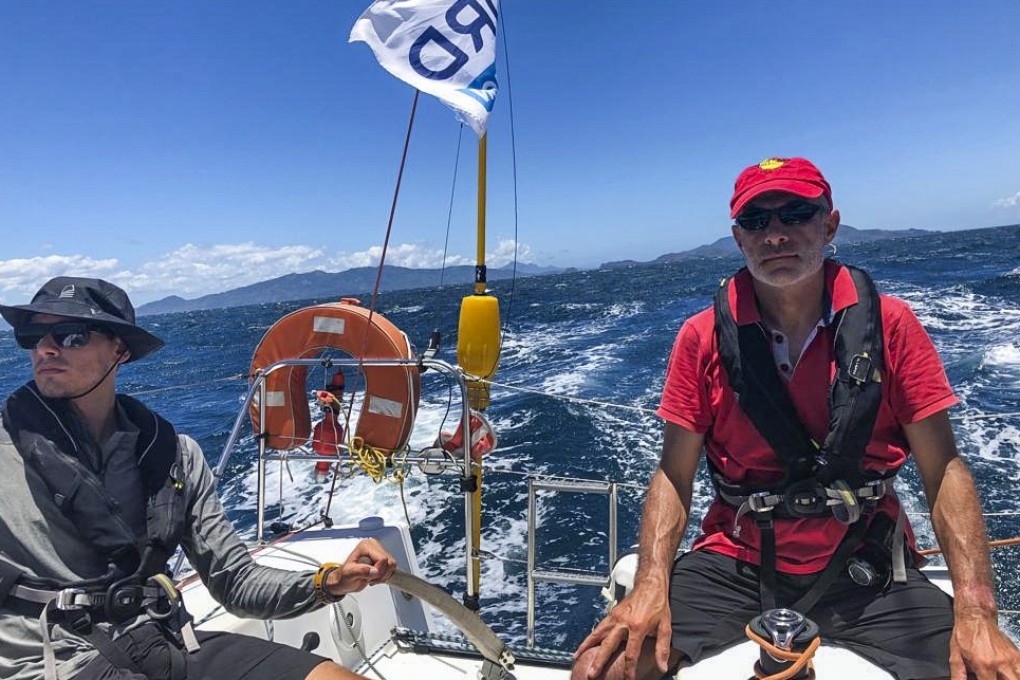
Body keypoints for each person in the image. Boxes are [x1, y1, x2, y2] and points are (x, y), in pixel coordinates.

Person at [572, 158, 1020, 680]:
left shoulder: (892, 326)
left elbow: (942, 467)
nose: (776, 234)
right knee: (601, 671)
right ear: (739, 238)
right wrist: (651, 584)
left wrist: (976, 610)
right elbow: (674, 473)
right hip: (736, 559)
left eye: (795, 214)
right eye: (758, 222)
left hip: (866, 563)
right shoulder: (701, 338)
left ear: (829, 224)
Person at [0, 277, 397, 680]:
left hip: (163, 637)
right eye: (33, 336)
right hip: (56, 663)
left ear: (119, 350)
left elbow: (236, 582)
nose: (45, 348)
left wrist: (331, 581)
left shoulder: (174, 455)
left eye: (71, 335)